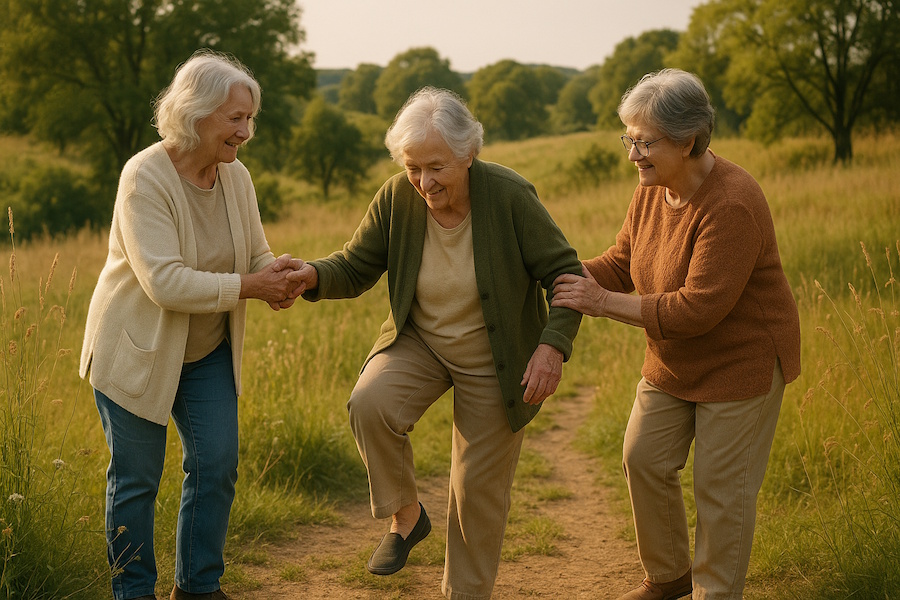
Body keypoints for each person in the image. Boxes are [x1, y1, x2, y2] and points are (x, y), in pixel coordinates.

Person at [285, 87, 582, 600]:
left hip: (497, 358)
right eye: (412, 167)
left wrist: (551, 346)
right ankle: (407, 516)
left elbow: (566, 275)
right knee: (369, 403)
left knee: (475, 494)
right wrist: (309, 274)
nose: (424, 182)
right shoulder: (397, 197)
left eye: (437, 167)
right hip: (420, 342)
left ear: (470, 154)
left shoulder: (510, 196)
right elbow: (356, 266)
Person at [551, 69, 801, 600]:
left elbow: (696, 309)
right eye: (630, 139)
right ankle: (668, 579)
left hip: (742, 363)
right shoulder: (652, 189)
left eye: (646, 142)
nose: (633, 154)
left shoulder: (731, 202)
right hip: (673, 362)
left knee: (721, 492)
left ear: (689, 141)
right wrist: (563, 277)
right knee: (643, 457)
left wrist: (599, 303)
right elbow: (622, 261)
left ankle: (715, 593)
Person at [79, 50, 303, 600]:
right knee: (136, 482)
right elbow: (165, 283)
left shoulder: (236, 176)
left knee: (217, 465)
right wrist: (251, 286)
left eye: (250, 118)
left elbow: (253, 252)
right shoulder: (144, 177)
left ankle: (199, 588)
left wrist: (275, 275)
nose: (246, 132)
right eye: (235, 119)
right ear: (196, 113)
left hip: (206, 352)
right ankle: (133, 593)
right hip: (136, 351)